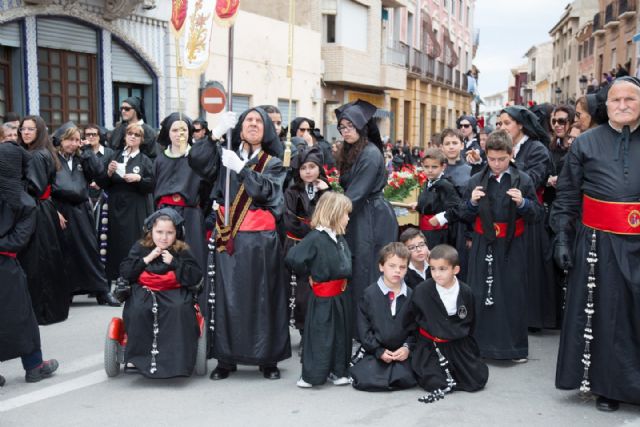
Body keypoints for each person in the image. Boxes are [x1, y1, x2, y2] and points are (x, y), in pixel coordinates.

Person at [551, 76, 640, 411]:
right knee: (608, 316)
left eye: (630, 99)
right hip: (599, 244)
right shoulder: (586, 143)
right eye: (616, 100)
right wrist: (562, 236)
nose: (623, 105)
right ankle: (609, 388)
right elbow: (569, 195)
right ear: (607, 105)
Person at [189, 107, 290, 380]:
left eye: (259, 121)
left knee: (263, 298)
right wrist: (214, 135)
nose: (253, 125)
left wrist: (242, 169)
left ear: (267, 129)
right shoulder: (224, 154)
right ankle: (226, 358)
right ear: (240, 127)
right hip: (228, 237)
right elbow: (196, 162)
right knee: (227, 297)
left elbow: (267, 193)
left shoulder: (273, 163)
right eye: (248, 120)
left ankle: (268, 359)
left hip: (261, 242)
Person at [459, 129, 543, 361]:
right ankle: (479, 347)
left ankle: (513, 348)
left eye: (502, 159)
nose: (496, 164)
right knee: (479, 292)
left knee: (511, 293)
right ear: (485, 155)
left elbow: (536, 214)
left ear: (511, 154)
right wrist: (472, 203)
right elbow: (462, 214)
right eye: (492, 159)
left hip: (511, 244)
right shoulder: (476, 180)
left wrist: (524, 203)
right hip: (482, 242)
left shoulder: (523, 180)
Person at [0, 141, 59, 386]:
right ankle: (34, 366)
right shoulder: (25, 202)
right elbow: (16, 242)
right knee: (22, 317)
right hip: (7, 266)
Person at [119, 208, 203, 378]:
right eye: (159, 232)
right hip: (145, 291)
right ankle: (140, 358)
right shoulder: (141, 247)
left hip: (174, 291)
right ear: (151, 231)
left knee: (179, 309)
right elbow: (126, 272)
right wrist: (146, 259)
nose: (164, 237)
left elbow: (195, 276)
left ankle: (176, 361)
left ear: (176, 234)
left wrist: (175, 263)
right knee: (138, 310)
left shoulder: (181, 249)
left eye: (169, 233)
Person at [335, 99, 399, 323]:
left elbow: (357, 193)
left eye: (350, 126)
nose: (346, 131)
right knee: (358, 267)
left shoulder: (370, 154)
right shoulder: (352, 151)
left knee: (367, 269)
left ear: (361, 127)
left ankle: (368, 325)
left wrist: (331, 214)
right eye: (342, 127)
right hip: (359, 213)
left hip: (371, 216)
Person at [285, 192, 352, 388]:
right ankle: (312, 375)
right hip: (323, 297)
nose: (348, 218)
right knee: (321, 335)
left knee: (341, 335)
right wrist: (309, 274)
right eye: (346, 214)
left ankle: (338, 371)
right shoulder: (316, 237)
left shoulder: (338, 237)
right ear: (334, 213)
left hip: (341, 296)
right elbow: (293, 258)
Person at [499, 105, 557, 331]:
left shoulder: (537, 150)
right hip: (505, 216)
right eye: (500, 124)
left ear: (520, 125)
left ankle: (530, 319)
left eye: (507, 123)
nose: (502, 128)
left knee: (528, 270)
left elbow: (531, 180)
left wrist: (511, 162)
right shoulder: (503, 147)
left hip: (530, 217)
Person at [52, 125, 119, 306]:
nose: (73, 144)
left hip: (81, 209)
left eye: (76, 140)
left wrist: (88, 152)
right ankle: (67, 291)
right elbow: (44, 187)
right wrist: (53, 211)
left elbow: (100, 177)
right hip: (60, 208)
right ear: (60, 139)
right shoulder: (51, 158)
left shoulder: (82, 157)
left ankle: (101, 291)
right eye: (69, 139)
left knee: (89, 249)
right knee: (64, 251)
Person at [412, 244, 488, 403]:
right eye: (432, 269)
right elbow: (413, 319)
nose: (437, 274)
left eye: (442, 269)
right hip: (432, 346)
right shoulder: (422, 290)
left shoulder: (466, 291)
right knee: (434, 382)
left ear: (456, 270)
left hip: (458, 344)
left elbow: (471, 321)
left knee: (477, 379)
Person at [18, 116, 71, 324]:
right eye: (23, 129)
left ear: (39, 131)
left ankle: (43, 311)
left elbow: (35, 188)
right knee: (43, 260)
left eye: (31, 129)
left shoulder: (37, 156)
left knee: (39, 262)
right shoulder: (38, 153)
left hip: (37, 211)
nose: (26, 132)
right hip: (43, 209)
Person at [350, 242, 416, 391]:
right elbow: (363, 328)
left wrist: (407, 348)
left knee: (409, 376)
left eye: (402, 267)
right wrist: (378, 350)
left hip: (402, 353)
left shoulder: (412, 295)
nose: (397, 271)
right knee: (367, 378)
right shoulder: (369, 294)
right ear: (381, 266)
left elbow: (415, 328)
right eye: (392, 266)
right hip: (375, 352)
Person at [98, 123, 154, 284]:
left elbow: (151, 184)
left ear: (141, 139)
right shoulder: (114, 156)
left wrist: (139, 179)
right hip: (115, 204)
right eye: (130, 133)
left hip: (136, 205)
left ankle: (135, 276)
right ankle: (116, 277)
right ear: (124, 136)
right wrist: (108, 172)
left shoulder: (144, 160)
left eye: (137, 135)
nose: (132, 137)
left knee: (133, 241)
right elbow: (102, 182)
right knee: (115, 242)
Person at [284, 146, 330, 336]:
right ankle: (302, 328)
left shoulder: (325, 190)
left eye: (312, 166)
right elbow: (289, 219)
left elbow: (334, 213)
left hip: (320, 246)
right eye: (304, 168)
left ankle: (316, 328)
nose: (308, 171)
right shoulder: (292, 191)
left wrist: (328, 191)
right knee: (299, 291)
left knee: (317, 286)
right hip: (298, 245)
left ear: (319, 168)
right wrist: (312, 229)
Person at [154, 113, 207, 272]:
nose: (179, 134)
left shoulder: (197, 158)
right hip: (164, 215)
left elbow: (206, 190)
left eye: (184, 129)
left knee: (192, 256)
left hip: (190, 215)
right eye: (175, 130)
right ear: (168, 133)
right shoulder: (160, 159)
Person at [415, 148, 461, 249]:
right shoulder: (428, 182)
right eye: (426, 167)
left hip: (440, 234)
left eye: (434, 167)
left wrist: (440, 218)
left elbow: (458, 208)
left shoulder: (446, 185)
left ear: (443, 167)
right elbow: (430, 205)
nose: (430, 170)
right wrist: (418, 206)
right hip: (426, 233)